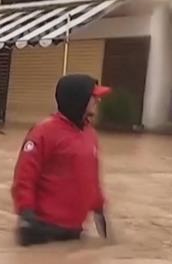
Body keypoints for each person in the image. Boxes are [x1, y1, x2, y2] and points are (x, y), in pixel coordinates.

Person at [11, 74, 111, 246]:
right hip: (43, 231)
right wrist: (26, 213)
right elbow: (24, 177)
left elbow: (92, 179)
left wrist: (100, 211)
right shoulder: (43, 132)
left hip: (75, 232)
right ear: (78, 99)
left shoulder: (90, 134)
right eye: (93, 97)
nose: (98, 101)